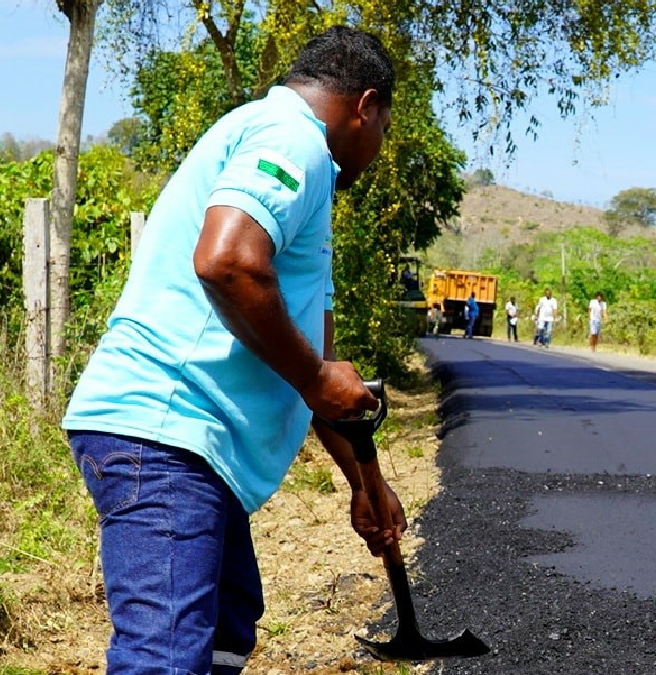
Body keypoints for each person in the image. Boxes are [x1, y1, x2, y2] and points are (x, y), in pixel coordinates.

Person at [60, 26, 405, 675]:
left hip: (193, 443)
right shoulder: (291, 138)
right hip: (164, 430)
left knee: (227, 623)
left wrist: (368, 481)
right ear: (365, 106)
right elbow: (226, 262)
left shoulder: (304, 178)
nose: (378, 149)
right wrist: (314, 376)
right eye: (383, 128)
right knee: (162, 656)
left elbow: (321, 374)